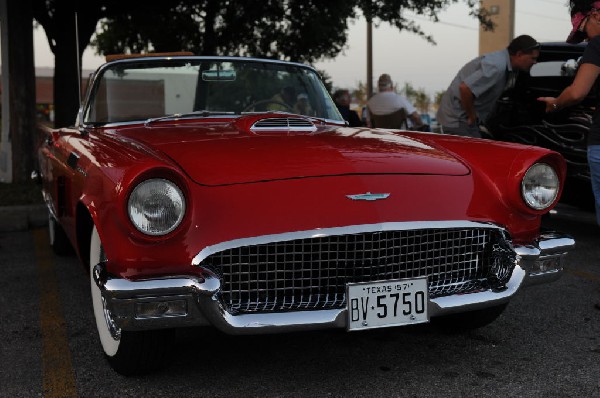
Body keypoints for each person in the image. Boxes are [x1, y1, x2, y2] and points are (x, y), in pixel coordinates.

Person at [538, 0, 600, 229]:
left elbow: (576, 93)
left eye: (582, 30)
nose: (585, 38)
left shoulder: (597, 45)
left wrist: (555, 104)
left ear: (596, 16)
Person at [436, 34, 541, 138]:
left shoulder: (507, 67)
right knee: (476, 153)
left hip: (464, 119)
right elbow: (465, 88)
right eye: (533, 58)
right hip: (458, 120)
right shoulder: (496, 66)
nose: (535, 62)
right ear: (519, 54)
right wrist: (472, 117)